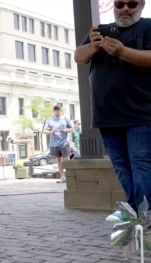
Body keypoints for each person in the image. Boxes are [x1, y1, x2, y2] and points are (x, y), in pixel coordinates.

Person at [74, 0, 151, 213]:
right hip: (106, 116)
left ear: (142, 5)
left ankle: (146, 216)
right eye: (120, 4)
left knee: (142, 166)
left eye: (132, 4)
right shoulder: (101, 31)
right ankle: (137, 215)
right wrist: (94, 45)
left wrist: (122, 51)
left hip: (141, 115)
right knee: (121, 168)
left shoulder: (147, 27)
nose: (125, 8)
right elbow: (79, 57)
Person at [43, 104, 73, 183]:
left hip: (64, 142)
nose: (57, 111)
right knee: (58, 160)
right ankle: (62, 177)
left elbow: (71, 128)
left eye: (58, 110)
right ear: (53, 111)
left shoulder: (65, 119)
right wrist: (51, 132)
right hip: (54, 144)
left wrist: (66, 130)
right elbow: (45, 131)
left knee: (66, 159)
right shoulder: (50, 120)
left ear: (60, 110)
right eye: (55, 110)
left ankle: (69, 176)